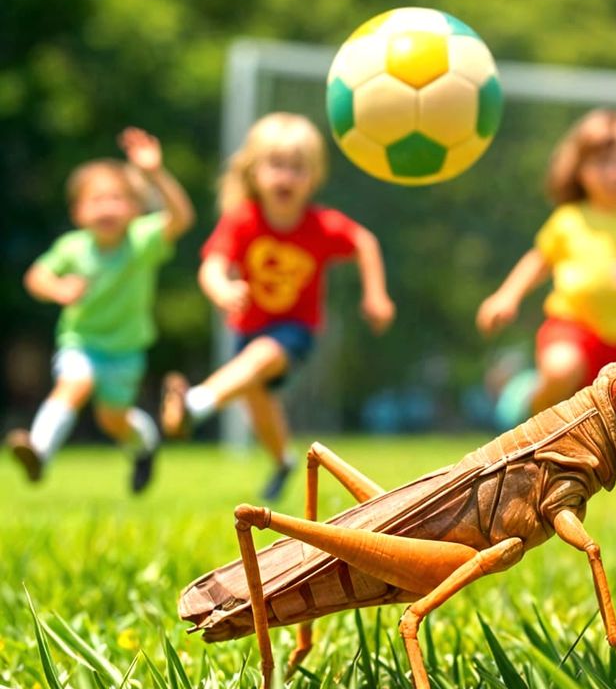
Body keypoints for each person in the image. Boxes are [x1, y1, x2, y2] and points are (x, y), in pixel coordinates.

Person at [161, 113, 394, 500]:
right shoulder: (241, 221)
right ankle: (283, 462)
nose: (286, 177)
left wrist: (376, 295)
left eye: (298, 169)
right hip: (247, 325)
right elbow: (212, 266)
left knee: (257, 360)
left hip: (295, 331)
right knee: (260, 405)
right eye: (276, 166)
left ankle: (194, 404)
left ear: (314, 176)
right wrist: (221, 290)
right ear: (255, 173)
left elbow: (365, 242)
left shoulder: (321, 225)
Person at [7, 129, 194, 491]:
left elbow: (182, 218)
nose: (106, 207)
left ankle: (144, 445)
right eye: (96, 200)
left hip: (124, 351)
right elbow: (36, 276)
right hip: (81, 342)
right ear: (78, 212)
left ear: (135, 208)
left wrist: (155, 173)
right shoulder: (73, 247)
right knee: (73, 384)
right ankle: (39, 452)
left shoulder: (142, 242)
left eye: (116, 198)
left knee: (113, 421)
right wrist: (59, 288)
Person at [476, 109, 616, 413]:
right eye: (602, 162)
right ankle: (530, 419)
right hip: (572, 327)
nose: (614, 174)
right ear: (578, 167)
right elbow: (539, 260)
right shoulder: (569, 218)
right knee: (562, 369)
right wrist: (507, 296)